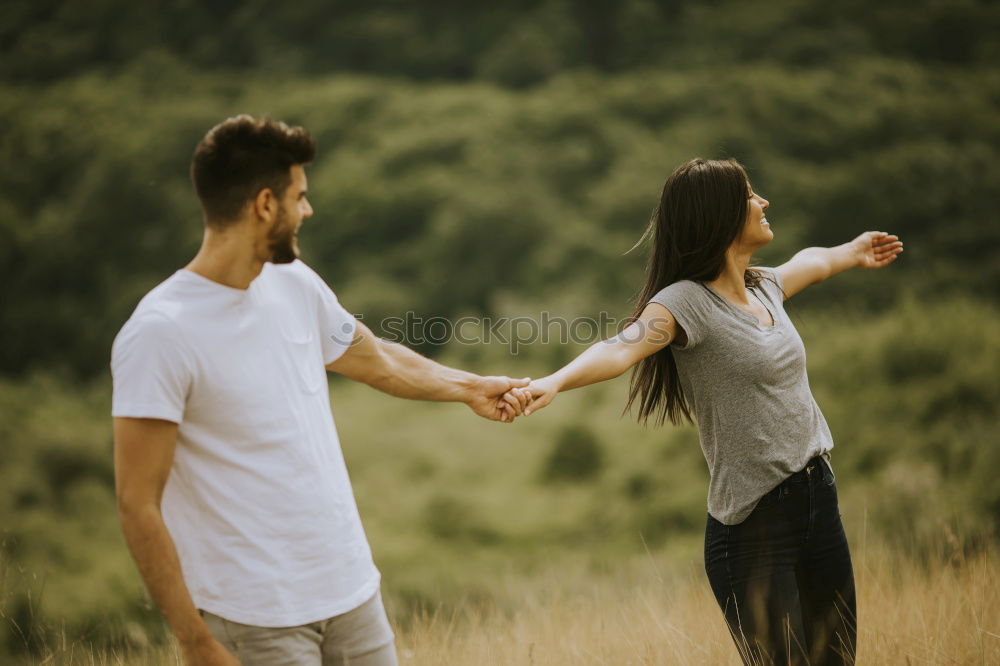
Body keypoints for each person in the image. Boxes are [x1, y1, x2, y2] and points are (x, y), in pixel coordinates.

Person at [110, 115, 530, 666]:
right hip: (253, 619)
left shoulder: (294, 282)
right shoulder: (160, 332)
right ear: (265, 204)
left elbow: (374, 358)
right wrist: (194, 640)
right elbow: (137, 503)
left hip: (351, 594)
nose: (307, 210)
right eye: (299, 196)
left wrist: (470, 386)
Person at [508, 158, 902, 665]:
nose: (763, 202)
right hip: (755, 529)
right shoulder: (684, 303)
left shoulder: (766, 287)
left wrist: (853, 251)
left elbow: (814, 261)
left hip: (818, 501)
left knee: (838, 661)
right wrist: (553, 382)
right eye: (750, 195)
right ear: (719, 214)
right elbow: (620, 347)